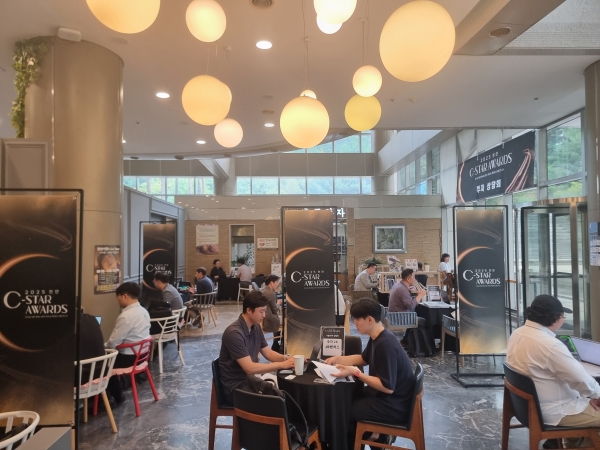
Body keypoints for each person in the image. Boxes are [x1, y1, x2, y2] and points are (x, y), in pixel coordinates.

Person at [507, 295, 600, 449]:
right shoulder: (549, 345)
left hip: (527, 408)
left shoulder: (518, 333)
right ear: (555, 318)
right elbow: (580, 380)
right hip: (558, 411)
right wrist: (597, 395)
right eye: (563, 316)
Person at [326, 298, 415, 450]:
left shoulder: (385, 344)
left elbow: (387, 387)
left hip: (393, 405)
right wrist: (337, 359)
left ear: (369, 319)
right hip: (386, 398)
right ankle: (376, 437)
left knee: (342, 413)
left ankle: (377, 437)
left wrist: (356, 372)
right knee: (346, 402)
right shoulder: (378, 337)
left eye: (357, 319)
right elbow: (363, 358)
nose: (354, 323)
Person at [218, 290, 295, 403]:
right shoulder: (234, 333)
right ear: (249, 310)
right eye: (261, 312)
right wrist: (282, 365)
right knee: (279, 399)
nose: (264, 315)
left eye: (265, 311)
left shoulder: (255, 327)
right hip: (236, 388)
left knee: (285, 392)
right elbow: (249, 368)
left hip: (250, 381)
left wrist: (287, 358)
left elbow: (268, 353)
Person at [105, 282, 150, 404]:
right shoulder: (144, 311)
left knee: (101, 366)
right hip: (142, 356)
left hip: (129, 358)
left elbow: (113, 343)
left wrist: (102, 347)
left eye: (118, 297)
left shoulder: (125, 316)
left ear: (125, 296)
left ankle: (116, 397)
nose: (117, 300)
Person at [260, 274, 282, 351]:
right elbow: (274, 310)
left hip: (264, 317)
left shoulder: (262, 290)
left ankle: (276, 343)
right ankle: (281, 343)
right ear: (271, 283)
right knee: (287, 321)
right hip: (269, 319)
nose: (277, 284)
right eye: (276, 282)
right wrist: (278, 303)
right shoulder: (270, 293)